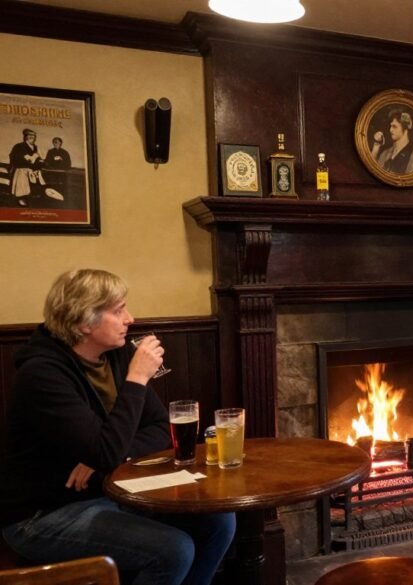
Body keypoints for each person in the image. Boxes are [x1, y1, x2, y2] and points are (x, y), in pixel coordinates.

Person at [0, 269, 236, 585]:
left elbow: (158, 428)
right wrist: (137, 379)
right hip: (43, 514)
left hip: (109, 491)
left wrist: (103, 460)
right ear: (84, 322)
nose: (130, 318)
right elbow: (104, 451)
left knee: (219, 520)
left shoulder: (117, 355)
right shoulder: (42, 375)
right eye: (118, 310)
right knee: (173, 550)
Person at [371, 108, 413, 174]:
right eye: (390, 126)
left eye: (394, 126)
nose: (390, 130)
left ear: (405, 129)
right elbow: (375, 172)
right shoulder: (385, 153)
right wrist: (376, 146)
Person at [8, 128, 46, 206]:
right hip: (22, 169)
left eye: (34, 136)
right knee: (22, 186)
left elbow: (37, 158)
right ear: (26, 137)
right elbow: (13, 157)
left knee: (33, 186)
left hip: (32, 170)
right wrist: (26, 158)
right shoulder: (19, 146)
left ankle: (30, 200)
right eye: (31, 136)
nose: (33, 138)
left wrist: (39, 161)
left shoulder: (35, 147)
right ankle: (21, 200)